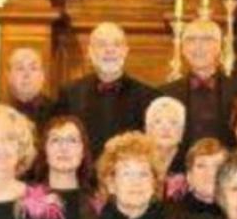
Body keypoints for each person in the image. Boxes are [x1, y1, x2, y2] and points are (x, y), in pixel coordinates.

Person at [57, 23, 160, 157]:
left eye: (116, 45)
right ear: (90, 52)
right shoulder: (70, 94)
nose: (110, 50)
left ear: (126, 51)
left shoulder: (149, 97)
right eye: (102, 45)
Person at [160, 19, 237, 149]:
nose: (198, 47)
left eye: (207, 39)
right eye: (191, 40)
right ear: (182, 48)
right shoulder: (164, 94)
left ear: (220, 47)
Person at [4, 47, 54, 131]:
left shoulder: (57, 112)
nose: (26, 75)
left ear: (42, 76)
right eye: (20, 68)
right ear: (8, 75)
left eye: (33, 68)